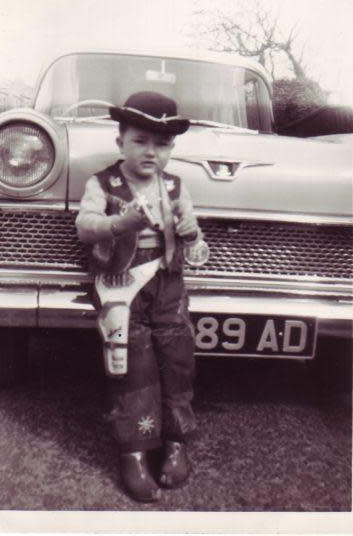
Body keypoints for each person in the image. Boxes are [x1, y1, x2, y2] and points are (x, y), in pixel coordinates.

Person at [75, 91, 204, 503]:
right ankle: (133, 452)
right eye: (140, 141)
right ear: (120, 143)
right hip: (121, 287)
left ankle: (176, 444)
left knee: (176, 361)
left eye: (162, 144)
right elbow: (84, 226)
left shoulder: (176, 185)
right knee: (130, 366)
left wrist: (190, 234)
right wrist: (121, 222)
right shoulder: (102, 183)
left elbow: (198, 244)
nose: (152, 152)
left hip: (168, 286)